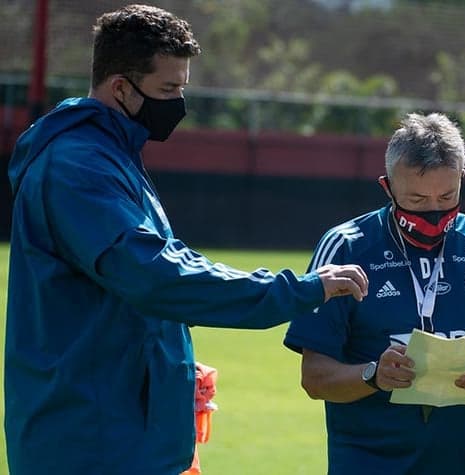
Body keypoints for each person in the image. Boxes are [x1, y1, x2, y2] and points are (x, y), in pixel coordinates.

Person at [4, 5, 368, 475]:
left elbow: (130, 297)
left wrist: (170, 371)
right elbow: (156, 276)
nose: (178, 102)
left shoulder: (112, 154)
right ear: (120, 87)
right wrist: (298, 289)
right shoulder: (77, 167)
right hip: (87, 443)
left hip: (125, 434)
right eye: (167, 89)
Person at [284, 112, 465, 475]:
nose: (433, 212)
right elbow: (314, 376)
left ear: (462, 179)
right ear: (388, 187)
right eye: (417, 200)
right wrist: (373, 375)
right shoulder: (345, 247)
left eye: (447, 196)